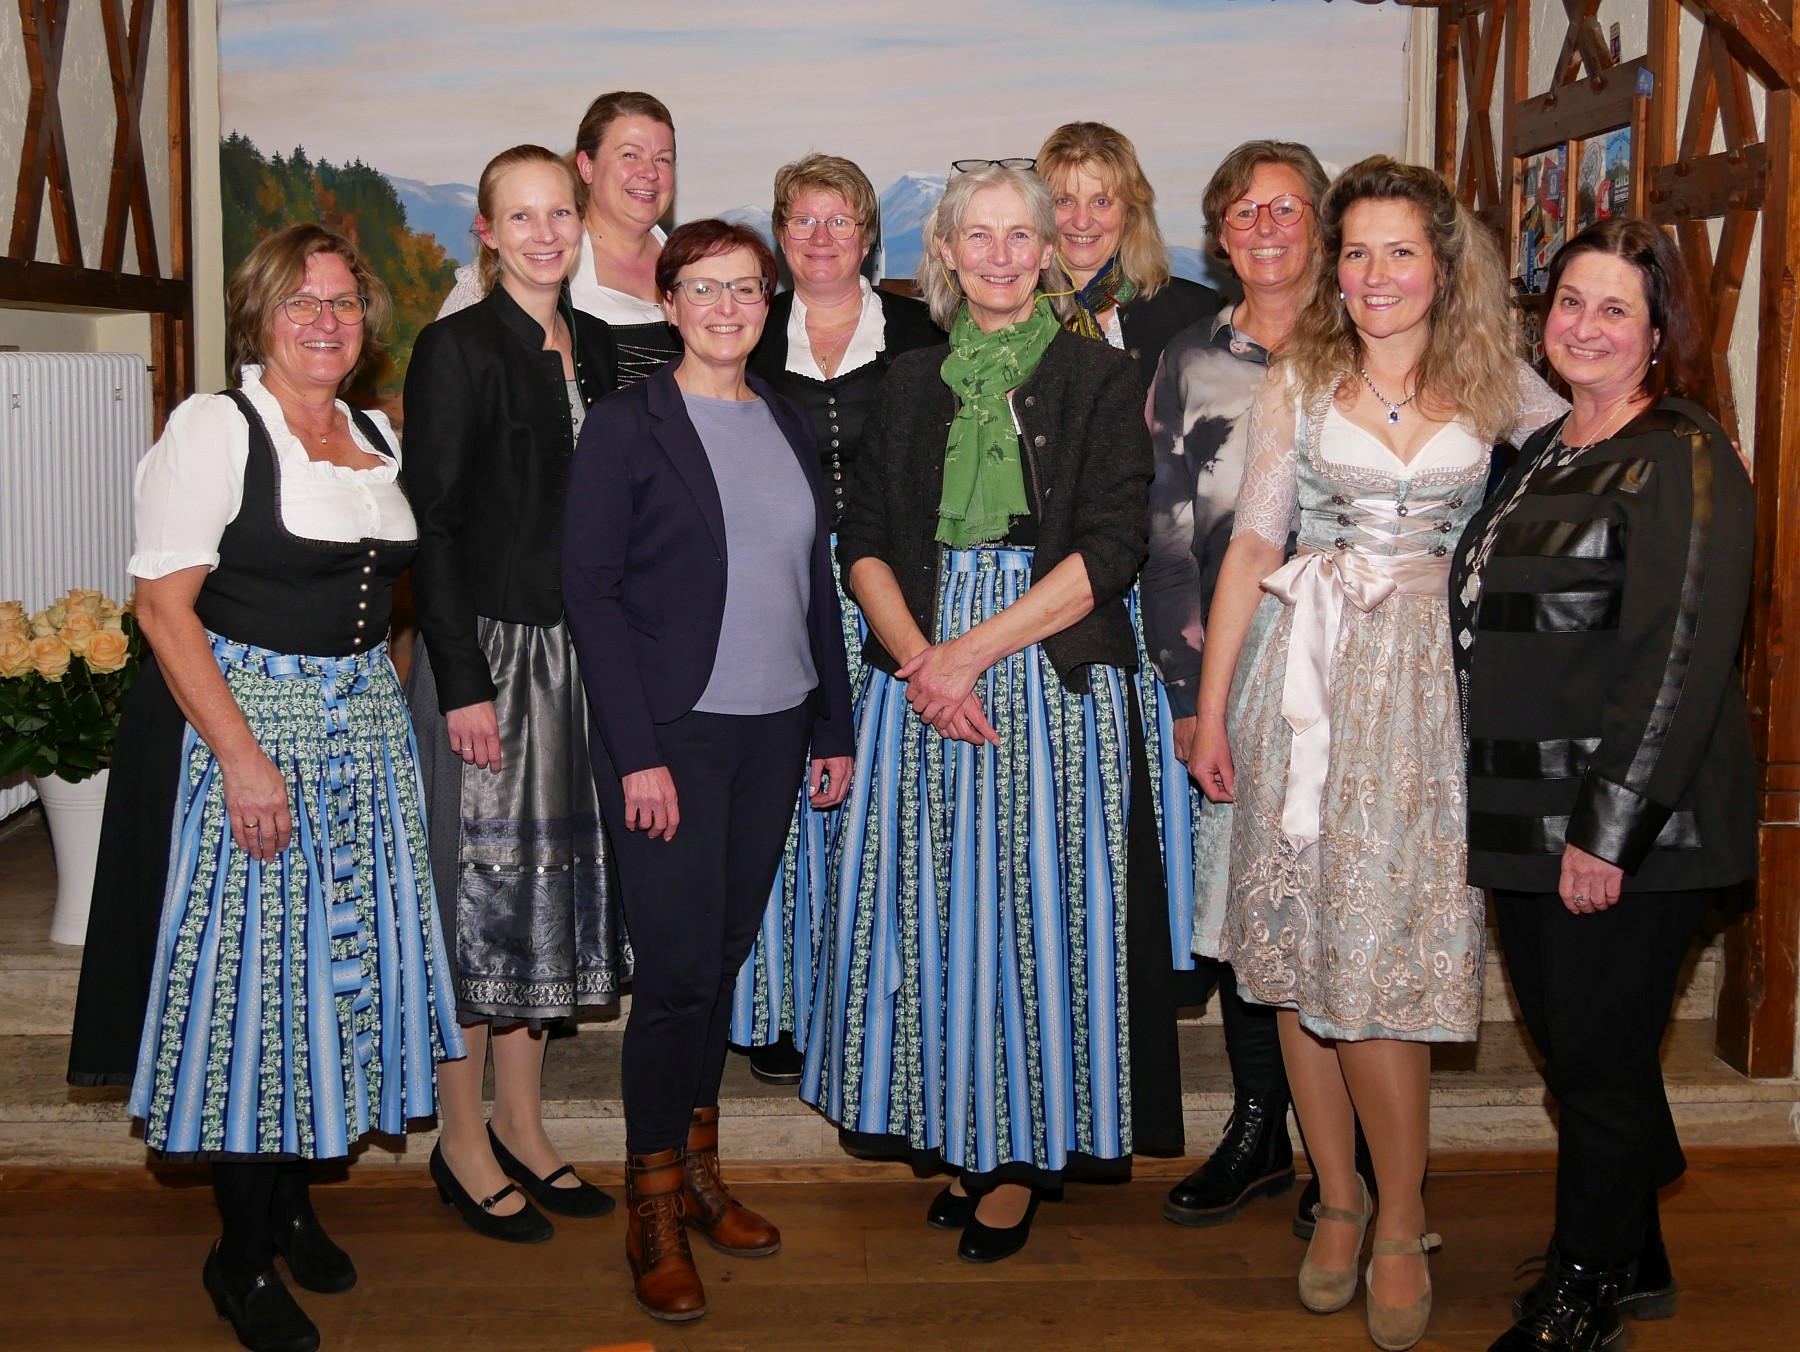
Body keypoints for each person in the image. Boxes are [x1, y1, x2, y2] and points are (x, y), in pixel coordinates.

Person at [1188, 157, 1565, 1351]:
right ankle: (1337, 1195)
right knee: (1298, 955)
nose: (1374, 274)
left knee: (1384, 958)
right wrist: (1212, 710)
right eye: (1355, 251)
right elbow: (1253, 547)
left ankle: (1403, 1214)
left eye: (1399, 250)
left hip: (1429, 697)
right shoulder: (1299, 379)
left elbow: (1591, 454)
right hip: (1302, 681)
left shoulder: (1497, 376)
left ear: (1442, 264)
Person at [66, 224, 463, 1352]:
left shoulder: (371, 433)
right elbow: (163, 607)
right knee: (255, 995)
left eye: (343, 302)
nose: (326, 322)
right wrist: (244, 759)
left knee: (329, 985)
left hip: (360, 740)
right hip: (249, 735)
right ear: (259, 316)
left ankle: (290, 1208)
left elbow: (385, 601)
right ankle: (237, 1254)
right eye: (301, 303)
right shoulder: (215, 428)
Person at [802, 163, 1154, 1264]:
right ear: (945, 254)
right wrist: (922, 660)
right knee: (934, 913)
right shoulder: (904, 383)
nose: (1000, 255)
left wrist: (968, 655)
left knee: (1032, 917)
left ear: (1048, 252)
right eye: (978, 236)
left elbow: (1112, 548)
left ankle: (1020, 1156)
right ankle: (964, 1128)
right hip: (920, 660)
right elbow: (862, 540)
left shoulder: (1101, 378)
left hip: (1043, 664)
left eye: (1020, 236)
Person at [1451, 219, 1756, 1352]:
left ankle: (1581, 1291)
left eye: (1616, 307)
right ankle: (1636, 1248)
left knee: (1592, 1063)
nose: (1584, 326)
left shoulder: (1683, 455)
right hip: (1526, 814)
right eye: (1570, 301)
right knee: (1588, 1054)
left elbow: (1678, 658)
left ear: (1660, 330)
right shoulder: (1548, 445)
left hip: (1631, 826)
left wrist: (1608, 830)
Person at [562, 220, 855, 1322]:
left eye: (745, 288)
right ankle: (649, 1202)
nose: (726, 306)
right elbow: (589, 596)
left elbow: (815, 583)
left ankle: (695, 1173)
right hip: (672, 740)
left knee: (722, 962)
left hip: (774, 730)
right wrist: (637, 753)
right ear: (670, 301)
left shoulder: (783, 416)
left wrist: (832, 725)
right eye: (703, 287)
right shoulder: (627, 424)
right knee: (679, 973)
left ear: (769, 303)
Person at [1139, 139, 1368, 1234]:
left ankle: (1351, 1150)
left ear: (1321, 222)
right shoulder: (1190, 357)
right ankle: (1259, 1127)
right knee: (1244, 904)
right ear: (1218, 233)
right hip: (1236, 662)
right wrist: (1195, 698)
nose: (1265, 228)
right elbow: (1170, 537)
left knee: (1347, 899)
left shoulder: (1376, 333)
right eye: (1242, 211)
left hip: (1367, 668)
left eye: (1285, 208)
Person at [403, 145, 621, 1243]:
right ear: (486, 232)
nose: (543, 234)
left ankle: (524, 1126)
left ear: (581, 220)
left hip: (579, 661)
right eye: (519, 217)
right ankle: (460, 1137)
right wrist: (461, 682)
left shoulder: (599, 346)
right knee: (475, 901)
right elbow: (432, 527)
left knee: (542, 902)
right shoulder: (456, 347)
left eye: (558, 214)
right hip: (489, 661)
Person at [731, 152, 942, 1085]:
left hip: (892, 589)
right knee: (779, 797)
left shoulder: (923, 331)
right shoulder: (745, 330)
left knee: (875, 804)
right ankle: (778, 1006)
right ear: (781, 235)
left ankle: (869, 999)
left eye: (840, 220)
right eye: (802, 220)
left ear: (869, 235)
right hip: (770, 592)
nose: (821, 237)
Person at [1036, 121, 1222, 1163]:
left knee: (1155, 836)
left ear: (1132, 209)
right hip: (1050, 608)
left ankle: (1154, 1008)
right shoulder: (1003, 312)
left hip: (1165, 601)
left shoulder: (1183, 316)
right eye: (1062, 198)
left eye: (1100, 197)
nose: (1080, 219)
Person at [440, 91, 680, 383]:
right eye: (630, 155)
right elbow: (450, 372)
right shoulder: (532, 262)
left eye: (663, 159)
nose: (650, 172)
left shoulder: (694, 265)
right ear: (587, 166)